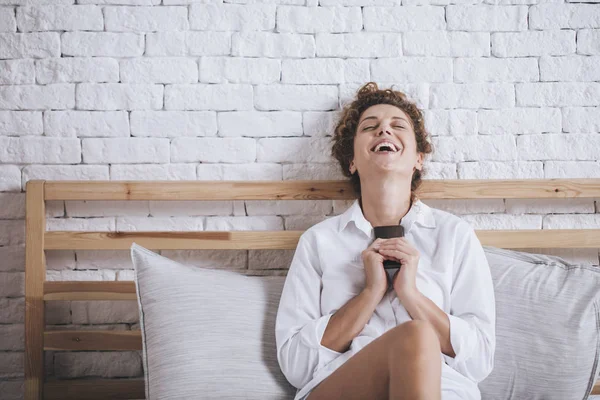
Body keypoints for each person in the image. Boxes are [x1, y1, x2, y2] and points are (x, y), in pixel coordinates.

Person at [275, 82, 496, 400]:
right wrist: (370, 292)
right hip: (343, 387)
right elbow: (296, 364)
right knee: (417, 336)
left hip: (444, 391)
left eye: (397, 126)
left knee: (417, 337)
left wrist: (411, 294)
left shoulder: (455, 236)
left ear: (419, 158)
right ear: (352, 161)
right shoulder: (318, 242)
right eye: (370, 127)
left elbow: (479, 360)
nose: (384, 132)